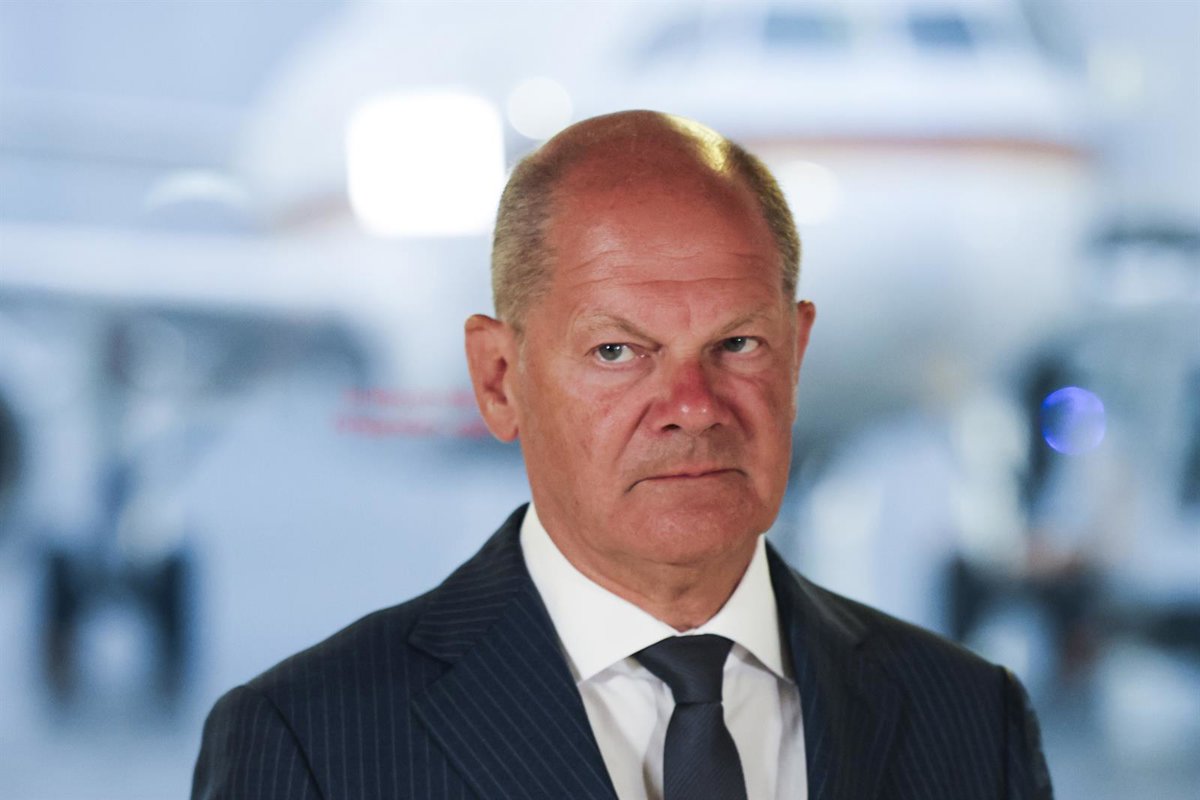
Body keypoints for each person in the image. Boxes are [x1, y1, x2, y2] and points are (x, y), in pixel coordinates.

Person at [192, 110, 1053, 799]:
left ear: (797, 355)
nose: (693, 407)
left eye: (738, 344)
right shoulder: (309, 741)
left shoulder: (976, 721)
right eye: (617, 352)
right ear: (499, 378)